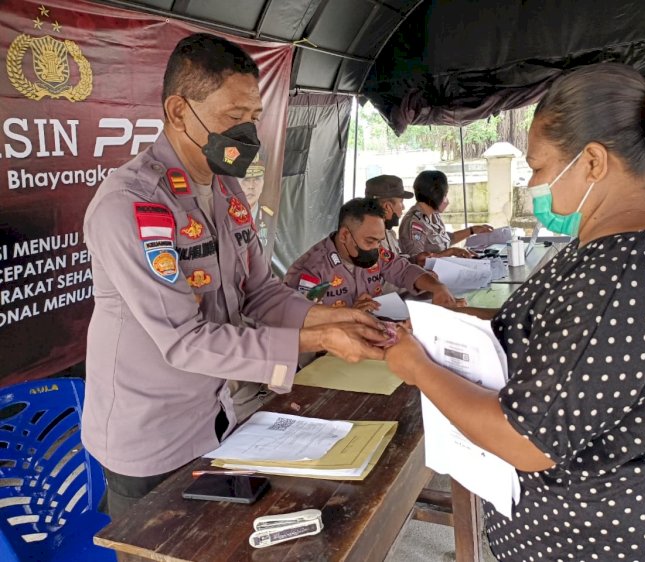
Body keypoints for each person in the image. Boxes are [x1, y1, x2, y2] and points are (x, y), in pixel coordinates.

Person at [385, 62, 645, 561]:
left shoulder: (625, 274)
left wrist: (418, 367)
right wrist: (447, 328)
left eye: (538, 167)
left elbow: (525, 441)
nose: (533, 183)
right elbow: (563, 338)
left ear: (592, 162)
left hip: (601, 541)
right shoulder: (623, 238)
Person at [82, 33, 387, 518]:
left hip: (221, 416)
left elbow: (260, 293)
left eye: (252, 118)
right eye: (232, 118)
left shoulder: (225, 190)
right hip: (152, 441)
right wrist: (319, 340)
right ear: (179, 112)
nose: (248, 133)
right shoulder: (132, 206)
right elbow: (185, 341)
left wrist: (335, 317)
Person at [284, 198, 458, 312]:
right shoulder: (312, 270)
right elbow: (302, 321)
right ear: (344, 235)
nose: (376, 248)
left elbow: (405, 271)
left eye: (379, 241)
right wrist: (351, 314)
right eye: (369, 241)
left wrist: (437, 287)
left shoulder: (376, 253)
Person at [398, 170, 493, 260]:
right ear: (435, 194)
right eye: (445, 194)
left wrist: (472, 230)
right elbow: (416, 260)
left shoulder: (433, 214)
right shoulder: (414, 223)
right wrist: (450, 252)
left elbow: (445, 240)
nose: (446, 200)